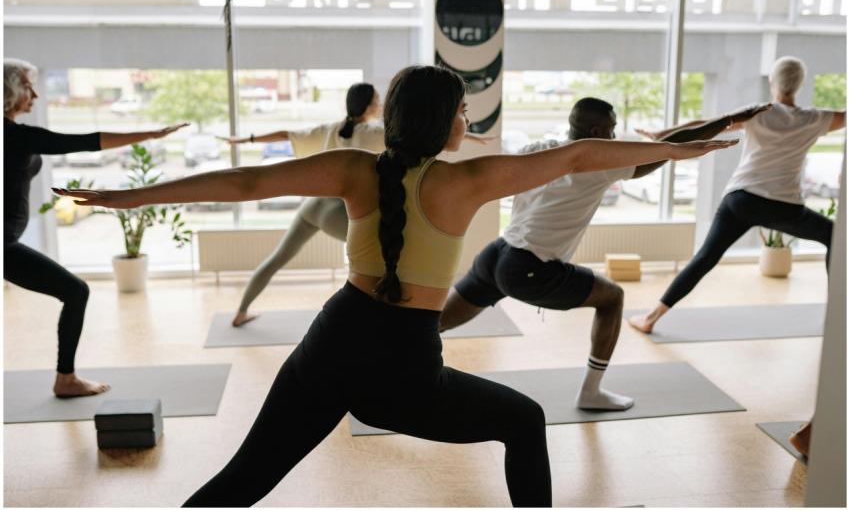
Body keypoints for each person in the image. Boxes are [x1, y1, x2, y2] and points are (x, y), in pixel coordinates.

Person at [59, 64, 736, 507]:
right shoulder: (466, 179)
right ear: (447, 120)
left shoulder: (358, 167)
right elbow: (586, 154)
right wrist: (679, 149)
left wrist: (131, 196)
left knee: (242, 482)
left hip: (331, 341)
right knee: (525, 420)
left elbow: (245, 183)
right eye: (464, 109)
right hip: (405, 370)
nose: (468, 120)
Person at [438, 98, 768, 411]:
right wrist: (728, 121)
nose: (614, 137)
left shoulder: (539, 149)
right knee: (612, 298)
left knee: (434, 322)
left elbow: (655, 146)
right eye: (611, 130)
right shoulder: (600, 166)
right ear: (596, 133)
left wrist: (677, 135)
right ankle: (591, 392)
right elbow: (671, 149)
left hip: (497, 253)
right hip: (528, 267)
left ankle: (390, 356)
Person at [218, 82, 492, 327]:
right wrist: (473, 136)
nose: (380, 104)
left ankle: (241, 311)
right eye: (377, 100)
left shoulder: (330, 128)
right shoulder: (377, 132)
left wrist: (245, 139)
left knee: (278, 258)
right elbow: (424, 130)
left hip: (313, 208)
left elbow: (285, 134)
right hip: (341, 212)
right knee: (387, 258)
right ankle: (382, 321)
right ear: (371, 106)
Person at [3, 57, 187, 397]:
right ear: (11, 89)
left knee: (74, 292)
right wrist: (149, 133)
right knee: (76, 291)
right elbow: (83, 142)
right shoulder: (12, 136)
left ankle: (66, 378)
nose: (35, 96)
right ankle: (66, 379)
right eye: (29, 87)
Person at [628, 56, 845, 334]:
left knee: (705, 257)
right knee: (835, 237)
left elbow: (709, 123)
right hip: (784, 207)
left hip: (742, 199)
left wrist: (664, 132)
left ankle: (650, 318)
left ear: (772, 82)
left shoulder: (758, 112)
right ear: (799, 85)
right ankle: (837, 316)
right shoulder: (815, 118)